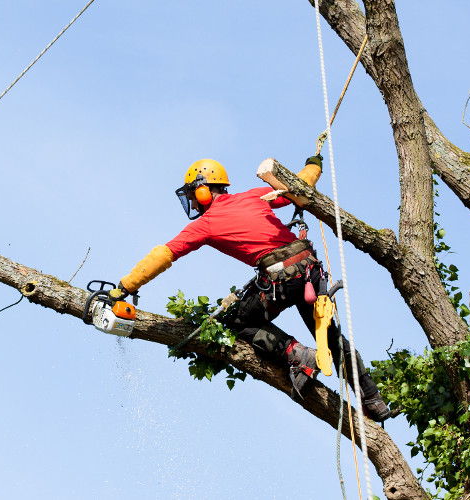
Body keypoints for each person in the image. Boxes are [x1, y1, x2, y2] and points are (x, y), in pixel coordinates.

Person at [114, 157, 395, 422]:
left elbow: (164, 254)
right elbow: (299, 184)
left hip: (281, 280)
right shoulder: (253, 196)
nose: (193, 203)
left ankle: (297, 354)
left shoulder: (206, 224)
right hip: (309, 273)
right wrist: (314, 164)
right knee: (331, 339)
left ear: (202, 191)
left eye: (193, 195)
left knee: (236, 322)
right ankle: (373, 400)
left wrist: (125, 286)